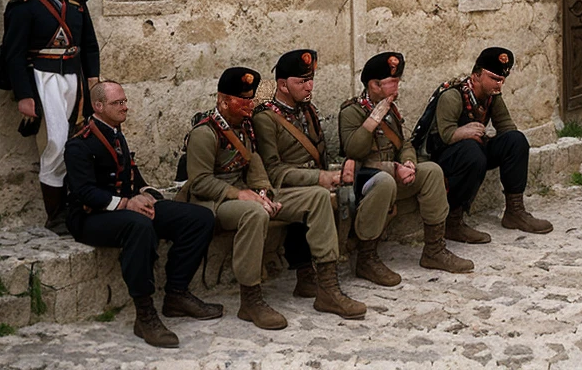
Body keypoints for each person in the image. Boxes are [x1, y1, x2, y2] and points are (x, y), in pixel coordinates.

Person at [64, 81, 223, 348]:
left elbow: (131, 173)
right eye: (118, 103)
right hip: (91, 217)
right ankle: (144, 313)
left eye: (125, 101)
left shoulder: (114, 132)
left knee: (199, 218)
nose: (125, 107)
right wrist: (127, 203)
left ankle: (176, 293)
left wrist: (148, 193)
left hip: (126, 208)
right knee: (139, 226)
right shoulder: (80, 144)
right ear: (98, 106)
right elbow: (84, 193)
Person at [338, 52, 473, 286]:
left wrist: (409, 162)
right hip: (366, 181)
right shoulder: (352, 112)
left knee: (431, 171)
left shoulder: (392, 108)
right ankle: (366, 259)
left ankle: (434, 250)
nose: (397, 86)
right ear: (374, 84)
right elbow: (354, 152)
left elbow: (406, 143)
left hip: (394, 175)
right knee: (385, 181)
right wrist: (374, 119)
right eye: (392, 82)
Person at [253, 49, 367, 320]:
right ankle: (325, 286)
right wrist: (320, 178)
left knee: (346, 191)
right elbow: (274, 170)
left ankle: (314, 275)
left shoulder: (307, 110)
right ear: (282, 85)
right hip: (280, 187)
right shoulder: (266, 118)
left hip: (310, 184)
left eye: (311, 79)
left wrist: (339, 169)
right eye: (301, 81)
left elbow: (320, 154)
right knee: (319, 196)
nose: (309, 86)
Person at [2, 0, 100, 234]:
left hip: (75, 78)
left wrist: (93, 85)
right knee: (55, 142)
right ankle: (55, 215)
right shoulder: (26, 7)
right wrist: (25, 96)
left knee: (78, 142)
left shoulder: (78, 4)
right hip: (44, 80)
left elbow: (89, 46)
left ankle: (78, 207)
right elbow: (14, 55)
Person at [174, 67, 287, 330]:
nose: (250, 105)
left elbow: (254, 163)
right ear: (223, 101)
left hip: (239, 195)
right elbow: (200, 182)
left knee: (281, 205)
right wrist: (241, 195)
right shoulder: (205, 132)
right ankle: (250, 298)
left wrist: (263, 192)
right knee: (255, 213)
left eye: (251, 99)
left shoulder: (245, 126)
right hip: (211, 202)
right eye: (243, 100)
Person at [428, 48, 553, 243]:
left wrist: (508, 145)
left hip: (474, 150)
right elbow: (445, 136)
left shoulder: (491, 96)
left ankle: (515, 211)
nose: (499, 84)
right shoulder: (453, 95)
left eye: (501, 80)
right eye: (494, 78)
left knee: (516, 140)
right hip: (448, 155)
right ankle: (453, 222)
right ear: (476, 76)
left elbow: (506, 126)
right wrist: (465, 131)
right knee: (472, 151)